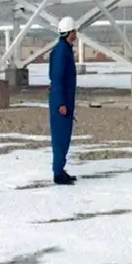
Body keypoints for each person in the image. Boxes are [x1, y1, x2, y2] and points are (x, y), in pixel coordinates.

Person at [49, 16, 79, 185]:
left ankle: (60, 169)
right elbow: (57, 77)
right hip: (61, 101)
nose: (76, 33)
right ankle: (58, 173)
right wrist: (60, 102)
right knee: (60, 137)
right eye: (74, 31)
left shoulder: (64, 49)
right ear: (69, 32)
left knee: (64, 136)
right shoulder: (61, 51)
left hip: (65, 99)